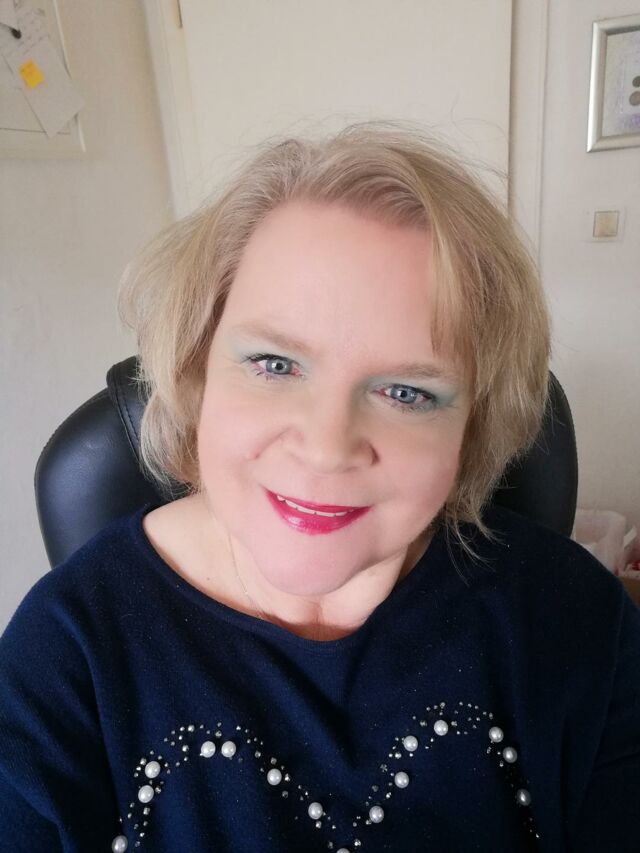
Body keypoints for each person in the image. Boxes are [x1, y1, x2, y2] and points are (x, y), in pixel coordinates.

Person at [1, 123, 638, 853]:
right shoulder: (64, 659)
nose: (327, 447)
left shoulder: (578, 628)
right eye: (275, 364)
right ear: (196, 370)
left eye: (406, 391)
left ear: (473, 427)